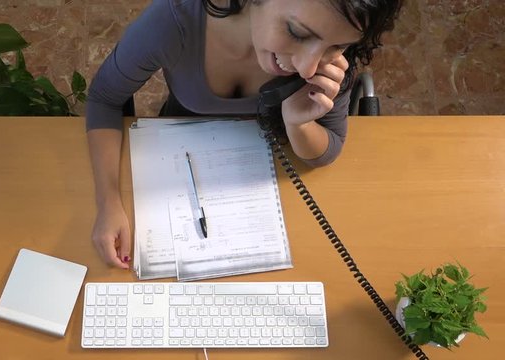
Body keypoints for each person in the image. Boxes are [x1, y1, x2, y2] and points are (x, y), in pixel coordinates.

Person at [86, 0, 404, 268]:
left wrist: (298, 123)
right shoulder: (175, 19)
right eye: (296, 32)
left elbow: (329, 147)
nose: (308, 68)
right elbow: (104, 97)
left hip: (268, 178)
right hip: (180, 150)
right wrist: (109, 201)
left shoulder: (329, 48)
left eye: (336, 46)